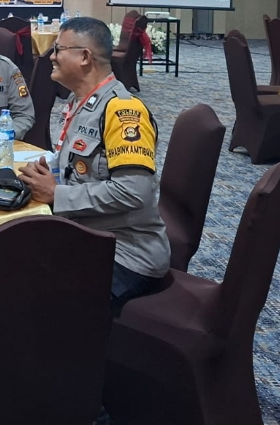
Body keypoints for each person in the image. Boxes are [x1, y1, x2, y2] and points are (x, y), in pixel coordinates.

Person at [17, 16, 169, 306]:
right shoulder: (81, 102)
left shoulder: (122, 112)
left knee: (27, 292)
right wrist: (49, 176)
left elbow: (133, 192)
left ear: (85, 57)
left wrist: (57, 194)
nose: (52, 57)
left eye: (58, 49)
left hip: (124, 253)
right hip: (86, 234)